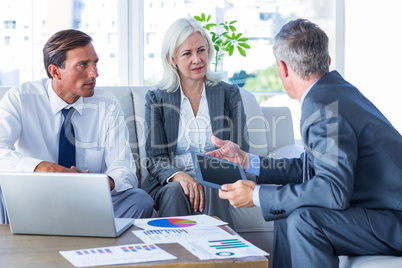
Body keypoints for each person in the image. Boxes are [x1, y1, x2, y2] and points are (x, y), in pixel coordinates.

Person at [207, 19, 402, 267]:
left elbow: (332, 190)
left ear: (284, 69)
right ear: (327, 60)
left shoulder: (323, 108)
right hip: (387, 212)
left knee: (305, 221)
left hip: (394, 220)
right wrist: (248, 161)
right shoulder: (336, 92)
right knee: (287, 211)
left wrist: (256, 195)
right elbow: (312, 166)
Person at [0, 29, 154, 224]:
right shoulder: (21, 98)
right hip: (34, 199)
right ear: (55, 71)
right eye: (82, 65)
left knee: (140, 200)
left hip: (88, 201)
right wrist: (47, 169)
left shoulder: (107, 104)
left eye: (95, 63)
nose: (94, 73)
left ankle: (90, 241)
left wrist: (98, 184)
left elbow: (123, 168)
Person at [142, 17, 249, 229]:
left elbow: (241, 149)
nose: (197, 59)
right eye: (187, 53)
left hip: (219, 175)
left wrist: (207, 173)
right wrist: (179, 176)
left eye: (201, 50)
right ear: (172, 58)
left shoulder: (229, 93)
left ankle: (223, 257)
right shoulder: (156, 98)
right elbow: (155, 159)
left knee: (214, 185)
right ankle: (176, 258)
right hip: (175, 179)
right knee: (174, 191)